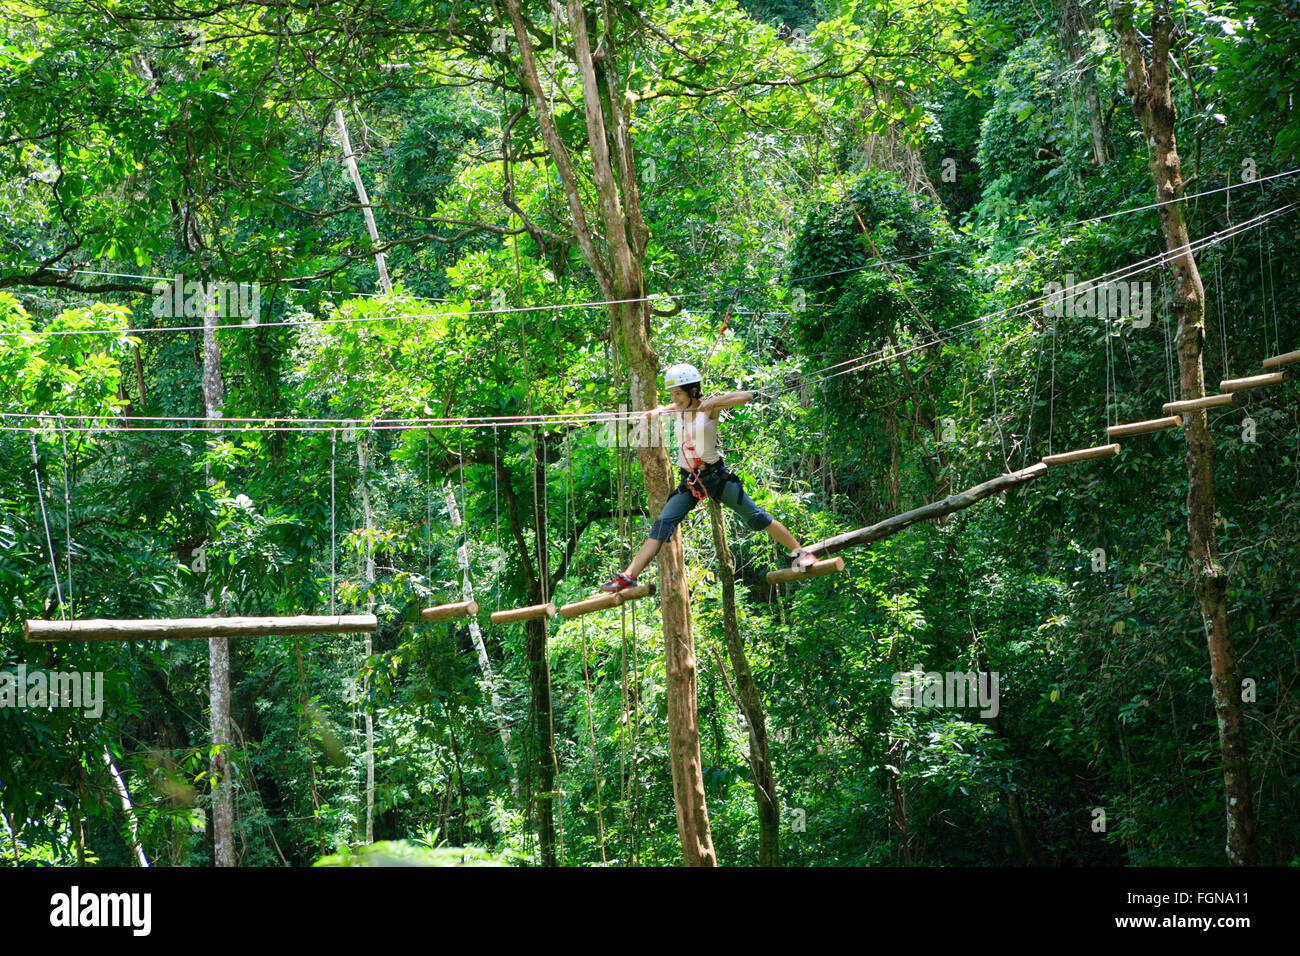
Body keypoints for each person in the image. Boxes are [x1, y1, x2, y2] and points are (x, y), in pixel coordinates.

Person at [600, 362, 818, 593]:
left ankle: (801, 553)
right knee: (662, 524)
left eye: (678, 393)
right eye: (672, 394)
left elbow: (745, 396)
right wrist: (650, 414)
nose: (675, 398)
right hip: (690, 482)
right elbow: (660, 410)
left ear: (693, 391)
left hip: (715, 477)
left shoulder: (708, 409)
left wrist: (715, 401)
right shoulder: (676, 410)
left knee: (757, 518)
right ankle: (628, 577)